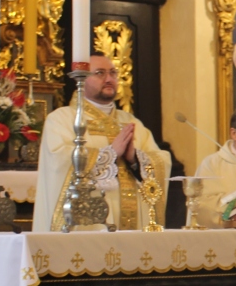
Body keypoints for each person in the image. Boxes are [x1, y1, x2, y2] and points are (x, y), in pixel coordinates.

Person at [36, 54, 171, 230]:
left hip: (134, 226)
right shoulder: (62, 119)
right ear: (82, 80)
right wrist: (110, 154)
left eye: (113, 73)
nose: (109, 79)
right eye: (100, 73)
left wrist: (135, 158)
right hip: (89, 226)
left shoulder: (131, 121)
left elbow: (161, 160)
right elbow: (59, 161)